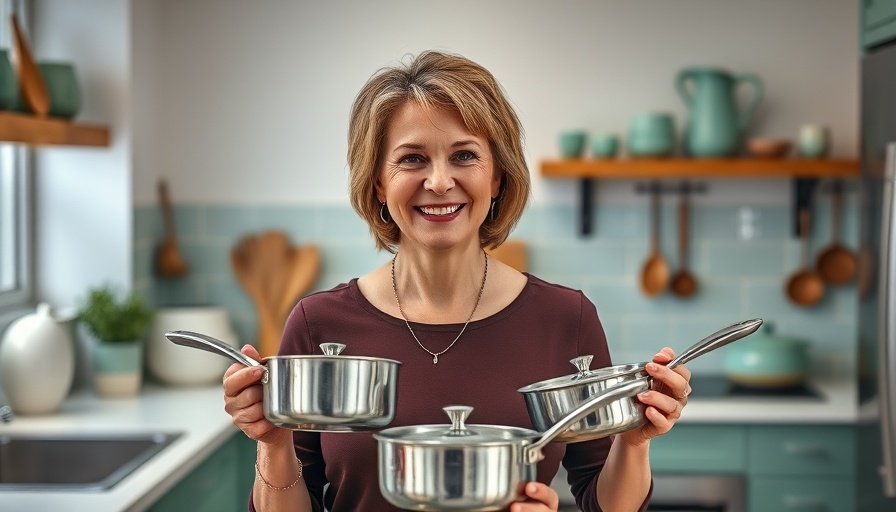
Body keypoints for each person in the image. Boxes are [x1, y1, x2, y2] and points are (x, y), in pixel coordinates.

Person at [223, 50, 693, 512]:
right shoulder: (317, 322)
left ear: (497, 179)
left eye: (464, 155)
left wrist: (633, 443)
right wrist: (273, 442)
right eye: (412, 160)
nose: (441, 181)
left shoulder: (565, 319)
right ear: (378, 183)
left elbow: (601, 502)